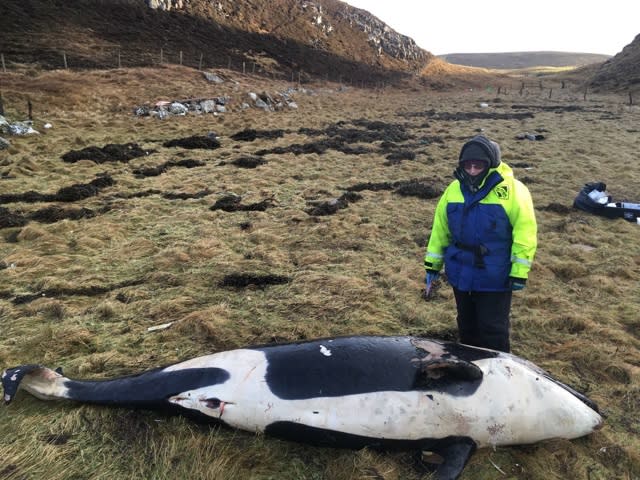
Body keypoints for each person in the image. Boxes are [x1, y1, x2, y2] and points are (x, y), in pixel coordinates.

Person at [423, 135, 537, 353]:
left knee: (492, 329)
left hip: (494, 276)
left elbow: (526, 231)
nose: (473, 170)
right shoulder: (453, 189)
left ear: (491, 164)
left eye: (479, 165)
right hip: (460, 272)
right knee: (466, 325)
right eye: (468, 165)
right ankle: (467, 370)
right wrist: (432, 264)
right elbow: (440, 229)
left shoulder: (513, 191)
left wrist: (519, 271)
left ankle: (498, 372)